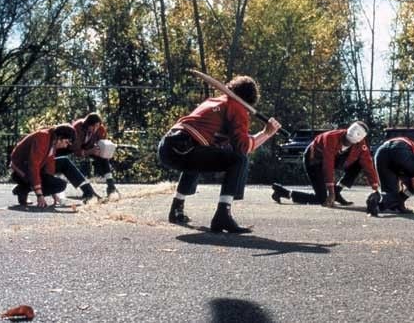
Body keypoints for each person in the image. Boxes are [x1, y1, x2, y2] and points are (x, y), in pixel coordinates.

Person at [158, 75, 282, 233]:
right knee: (238, 160)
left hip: (168, 147)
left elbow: (224, 140)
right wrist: (267, 133)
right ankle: (223, 215)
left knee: (200, 155)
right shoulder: (236, 107)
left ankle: (177, 209)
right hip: (184, 146)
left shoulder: (214, 102)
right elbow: (243, 147)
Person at [271, 121, 379, 207]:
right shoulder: (331, 137)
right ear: (347, 131)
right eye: (347, 139)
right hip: (314, 160)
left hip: (335, 158)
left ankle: (337, 191)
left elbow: (367, 163)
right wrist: (330, 191)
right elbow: (328, 163)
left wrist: (375, 188)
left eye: (352, 142)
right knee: (321, 199)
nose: (348, 143)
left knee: (359, 163)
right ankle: (284, 192)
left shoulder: (361, 144)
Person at [10, 124, 99, 207]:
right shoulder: (42, 138)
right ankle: (23, 188)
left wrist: (53, 191)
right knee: (61, 185)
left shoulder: (52, 140)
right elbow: (33, 166)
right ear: (60, 137)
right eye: (66, 142)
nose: (65, 146)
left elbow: (49, 169)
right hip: (21, 171)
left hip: (34, 167)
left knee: (64, 162)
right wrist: (39, 195)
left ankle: (88, 192)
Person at [366, 136, 414, 216]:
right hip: (400, 149)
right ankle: (399, 201)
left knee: (390, 195)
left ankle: (378, 198)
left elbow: (401, 181)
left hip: (381, 152)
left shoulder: (409, 159)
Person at [69, 113, 118, 197]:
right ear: (87, 124)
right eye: (93, 126)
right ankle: (86, 189)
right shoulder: (77, 128)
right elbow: (76, 151)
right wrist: (90, 152)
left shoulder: (100, 129)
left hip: (89, 146)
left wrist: (105, 150)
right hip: (71, 147)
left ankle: (111, 185)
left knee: (103, 156)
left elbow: (103, 142)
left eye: (97, 126)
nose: (95, 129)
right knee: (70, 164)